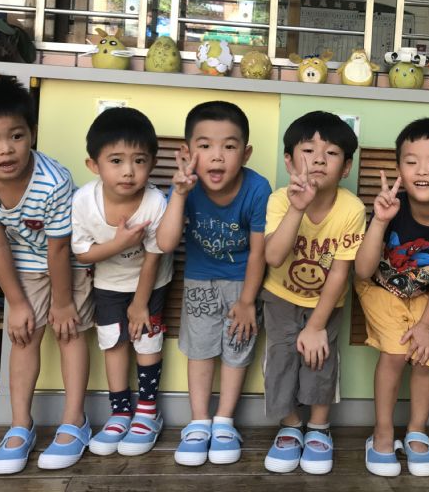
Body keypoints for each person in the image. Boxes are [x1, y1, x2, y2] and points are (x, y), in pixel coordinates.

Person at [0, 75, 92, 475]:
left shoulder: (54, 181)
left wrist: (63, 303)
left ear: (32, 132)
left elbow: (60, 248)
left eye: (16, 136)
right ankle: (20, 426)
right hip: (23, 264)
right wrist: (16, 303)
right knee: (24, 335)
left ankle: (74, 421)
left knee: (69, 333)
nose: (6, 149)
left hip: (69, 262)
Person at [354, 118, 429, 477]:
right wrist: (380, 220)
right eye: (411, 162)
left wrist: (427, 325)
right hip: (378, 287)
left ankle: (416, 430)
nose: (422, 170)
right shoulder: (393, 205)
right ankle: (382, 432)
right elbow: (362, 270)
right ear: (400, 170)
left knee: (426, 355)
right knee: (396, 352)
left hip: (423, 293)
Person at [155, 101, 271, 466]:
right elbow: (166, 243)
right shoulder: (185, 187)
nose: (217, 156)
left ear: (245, 153)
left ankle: (224, 422)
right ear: (187, 152)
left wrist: (248, 301)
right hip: (199, 279)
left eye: (229, 146)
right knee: (201, 349)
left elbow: (259, 251)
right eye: (205, 146)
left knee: (237, 348)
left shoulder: (257, 188)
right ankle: (199, 421)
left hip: (244, 282)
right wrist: (179, 194)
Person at [260, 111, 366, 475]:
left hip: (326, 301)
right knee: (281, 359)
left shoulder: (352, 209)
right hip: (280, 295)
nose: (319, 160)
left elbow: (340, 272)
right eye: (308, 151)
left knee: (321, 359)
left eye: (331, 153)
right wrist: (297, 207)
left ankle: (319, 427)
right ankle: (290, 425)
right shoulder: (280, 200)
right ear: (289, 161)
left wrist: (317, 325)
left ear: (346, 167)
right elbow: (273, 257)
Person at [72, 107, 172, 457]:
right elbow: (83, 254)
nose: (129, 171)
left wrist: (140, 303)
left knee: (147, 340)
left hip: (151, 283)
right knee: (113, 343)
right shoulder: (84, 201)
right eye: (116, 161)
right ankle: (120, 412)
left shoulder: (155, 202)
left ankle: (147, 412)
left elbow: (154, 256)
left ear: (152, 163)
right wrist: (119, 243)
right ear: (93, 165)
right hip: (108, 284)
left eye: (139, 161)